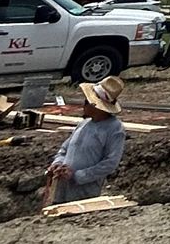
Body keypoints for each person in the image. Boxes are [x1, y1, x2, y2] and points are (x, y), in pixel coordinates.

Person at [42, 77, 125, 207]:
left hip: (83, 193)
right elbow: (64, 150)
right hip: (61, 188)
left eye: (87, 102)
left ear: (95, 106)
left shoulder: (114, 129)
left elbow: (110, 163)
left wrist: (78, 175)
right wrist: (57, 164)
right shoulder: (83, 124)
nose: (83, 105)